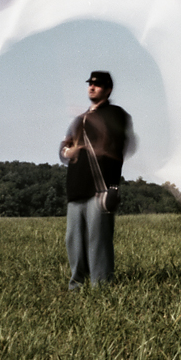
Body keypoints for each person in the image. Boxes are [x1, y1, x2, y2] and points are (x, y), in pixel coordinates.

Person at [59, 71, 135, 289]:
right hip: (76, 188)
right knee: (74, 241)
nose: (92, 87)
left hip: (100, 189)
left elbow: (115, 145)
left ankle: (101, 289)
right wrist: (68, 152)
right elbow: (63, 148)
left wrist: (113, 188)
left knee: (98, 242)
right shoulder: (79, 119)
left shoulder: (116, 115)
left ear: (108, 89)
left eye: (98, 84)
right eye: (90, 84)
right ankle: (76, 286)